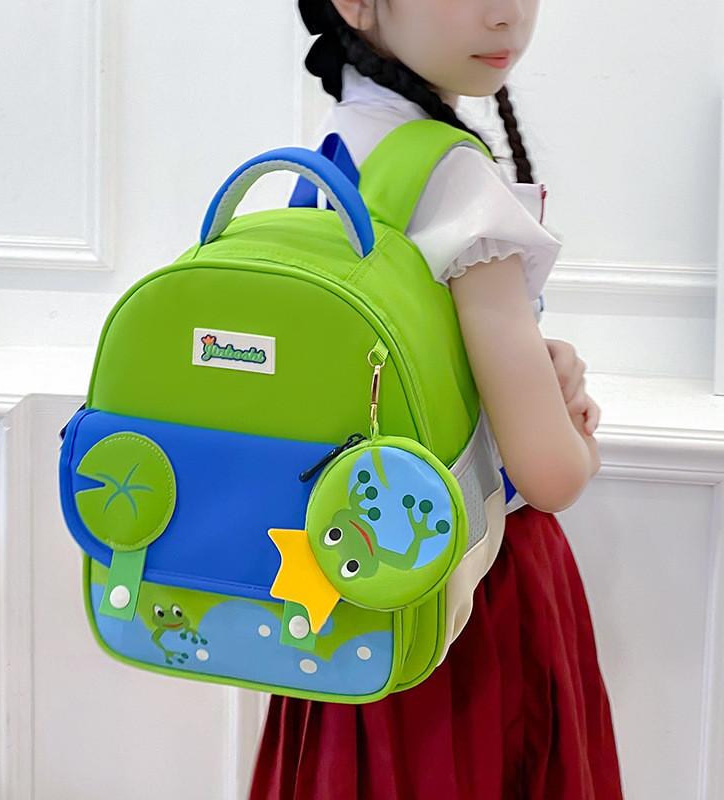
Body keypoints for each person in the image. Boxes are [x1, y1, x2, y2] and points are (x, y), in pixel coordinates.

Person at [248, 1, 625, 797]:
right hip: (468, 598)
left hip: (346, 585)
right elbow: (549, 473)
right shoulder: (451, 176)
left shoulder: (330, 152)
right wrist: (578, 434)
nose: (507, 15)